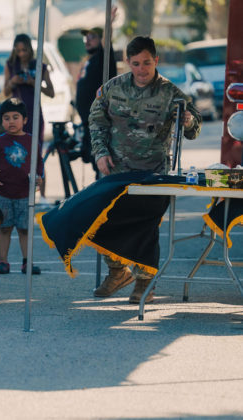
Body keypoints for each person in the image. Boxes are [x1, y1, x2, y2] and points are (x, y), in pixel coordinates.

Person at [89, 35, 202, 304]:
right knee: (102, 220)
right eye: (136, 63)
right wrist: (100, 153)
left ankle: (144, 281)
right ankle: (117, 272)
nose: (142, 69)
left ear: (156, 61)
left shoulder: (171, 92)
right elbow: (96, 121)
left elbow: (194, 127)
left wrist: (187, 121)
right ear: (127, 62)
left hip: (154, 173)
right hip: (116, 172)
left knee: (145, 228)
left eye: (147, 63)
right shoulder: (111, 89)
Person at [0, 98, 44, 275]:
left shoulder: (31, 141)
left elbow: (39, 164)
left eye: (15, 117)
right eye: (6, 118)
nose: (11, 121)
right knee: (4, 228)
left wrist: (39, 178)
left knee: (24, 230)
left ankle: (27, 262)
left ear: (25, 120)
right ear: (1, 120)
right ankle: (3, 262)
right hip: (4, 194)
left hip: (24, 195)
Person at [2, 34, 54, 205]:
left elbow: (51, 92)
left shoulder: (38, 65)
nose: (21, 53)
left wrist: (34, 82)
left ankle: (43, 195)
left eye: (24, 50)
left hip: (35, 114)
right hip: (16, 116)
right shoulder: (11, 65)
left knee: (36, 154)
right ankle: (20, 193)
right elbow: (5, 92)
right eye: (18, 50)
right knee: (16, 154)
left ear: (30, 49)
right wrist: (13, 81)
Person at [75, 26, 117, 173]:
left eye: (92, 37)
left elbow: (107, 43)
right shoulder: (89, 61)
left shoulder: (104, 58)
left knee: (103, 165)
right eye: (86, 37)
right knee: (95, 164)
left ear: (101, 39)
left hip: (101, 122)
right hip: (88, 123)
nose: (87, 40)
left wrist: (109, 23)